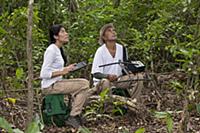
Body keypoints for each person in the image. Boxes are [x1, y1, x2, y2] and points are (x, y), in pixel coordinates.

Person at [40, 24, 88, 128]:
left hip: (56, 83)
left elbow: (55, 69)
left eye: (65, 31)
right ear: (55, 36)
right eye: (62, 32)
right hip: (50, 86)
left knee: (83, 85)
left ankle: (74, 114)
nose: (66, 34)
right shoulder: (51, 50)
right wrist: (63, 71)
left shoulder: (58, 49)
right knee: (84, 84)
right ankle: (73, 116)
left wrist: (68, 68)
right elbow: (43, 73)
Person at [91, 23, 143, 99]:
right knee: (105, 82)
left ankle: (134, 102)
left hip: (118, 80)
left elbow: (125, 67)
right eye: (109, 31)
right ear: (104, 37)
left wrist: (134, 70)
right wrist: (108, 76)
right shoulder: (100, 51)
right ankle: (108, 108)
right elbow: (96, 74)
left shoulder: (122, 48)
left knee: (139, 77)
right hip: (103, 82)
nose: (113, 32)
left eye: (114, 30)